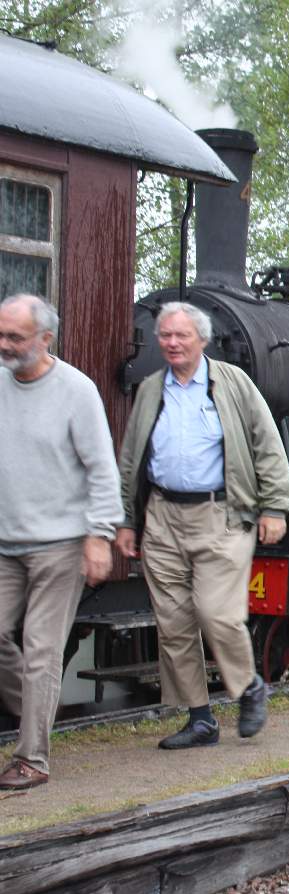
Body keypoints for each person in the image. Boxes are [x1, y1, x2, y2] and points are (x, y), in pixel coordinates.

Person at [115, 302, 289, 749]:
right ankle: (199, 719)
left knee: (217, 613)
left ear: (203, 340)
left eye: (182, 335)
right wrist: (126, 520)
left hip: (221, 514)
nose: (172, 343)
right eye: (165, 336)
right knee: (172, 621)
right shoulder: (150, 389)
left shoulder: (234, 383)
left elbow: (267, 444)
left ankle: (248, 687)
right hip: (162, 517)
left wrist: (275, 507)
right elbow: (131, 458)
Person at [0, 294, 122, 790]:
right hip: (5, 542)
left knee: (41, 648)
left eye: (15, 337)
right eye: (1, 334)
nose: (4, 344)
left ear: (45, 339)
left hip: (60, 544)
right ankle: (39, 707)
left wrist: (99, 536)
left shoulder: (77, 390)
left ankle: (32, 759)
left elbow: (102, 469)